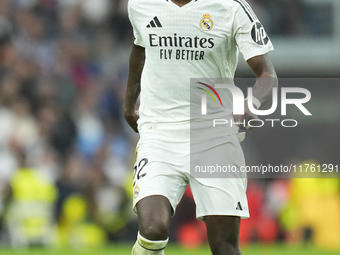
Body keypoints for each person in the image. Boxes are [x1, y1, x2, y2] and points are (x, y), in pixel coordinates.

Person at [123, 0, 277, 254]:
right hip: (159, 133)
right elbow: (140, 48)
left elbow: (267, 74)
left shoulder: (230, 7)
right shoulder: (141, 4)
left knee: (224, 246)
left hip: (215, 136)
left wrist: (251, 103)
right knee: (152, 229)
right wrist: (129, 104)